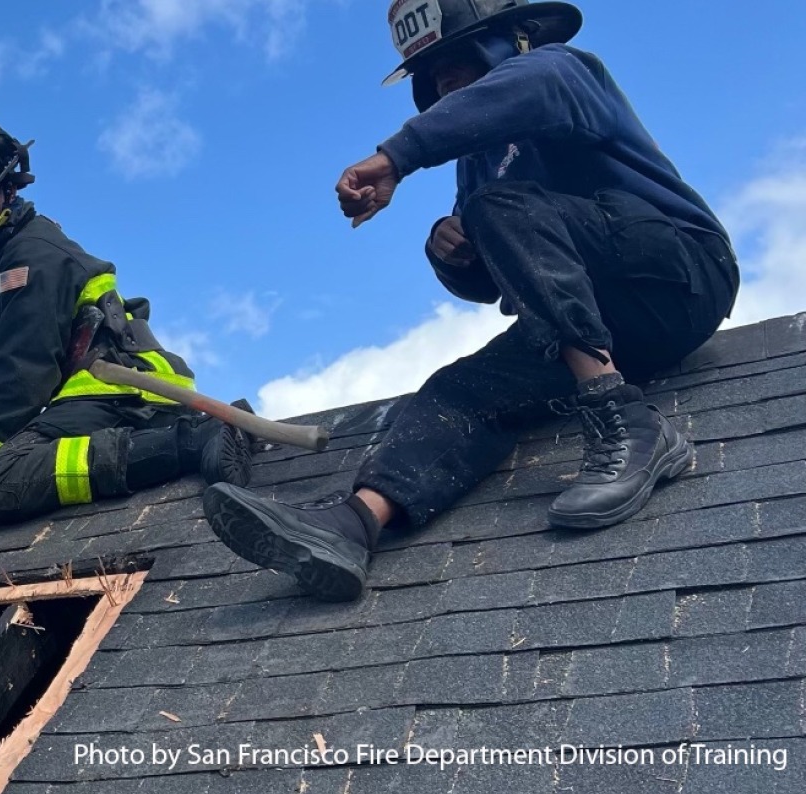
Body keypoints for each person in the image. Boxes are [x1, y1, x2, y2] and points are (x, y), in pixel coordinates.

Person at [201, 0, 740, 603]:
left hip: (681, 276)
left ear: (511, 42)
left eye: (457, 59)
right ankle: (354, 523)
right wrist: (450, 249)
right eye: (431, 75)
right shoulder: (478, 165)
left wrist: (399, 157)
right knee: (459, 388)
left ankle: (627, 421)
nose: (440, 80)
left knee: (497, 209)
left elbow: (529, 98)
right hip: (604, 328)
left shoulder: (563, 71)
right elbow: (494, 282)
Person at [0, 125, 254, 527]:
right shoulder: (7, 266)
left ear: (6, 192)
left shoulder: (28, 259)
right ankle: (189, 435)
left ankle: (195, 440)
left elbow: (23, 382)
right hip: (108, 393)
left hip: (122, 390)